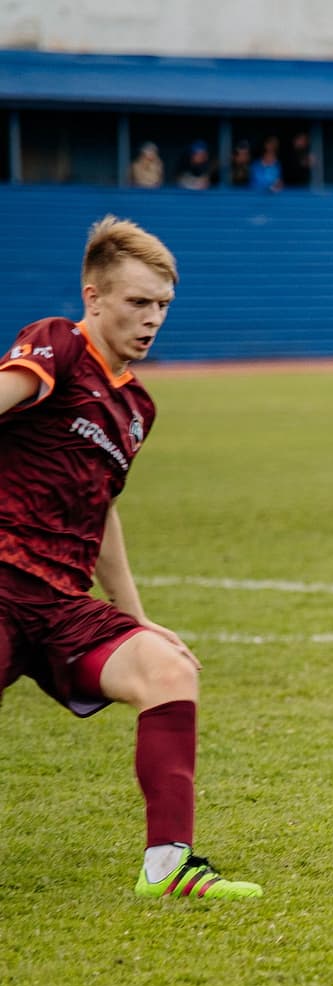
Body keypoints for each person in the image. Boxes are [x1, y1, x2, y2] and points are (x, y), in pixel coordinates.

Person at [0, 217, 261, 900]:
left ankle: (168, 867)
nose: (152, 320)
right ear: (93, 297)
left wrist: (137, 619)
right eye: (137, 303)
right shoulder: (57, 345)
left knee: (167, 668)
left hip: (60, 605)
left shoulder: (136, 404)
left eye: (163, 307)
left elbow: (101, 508)